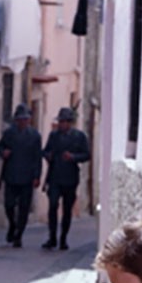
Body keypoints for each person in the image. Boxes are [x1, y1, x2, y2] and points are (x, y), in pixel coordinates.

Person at [41, 107, 89, 251]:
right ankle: (52, 237)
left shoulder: (79, 137)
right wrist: (48, 155)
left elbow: (86, 155)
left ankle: (63, 238)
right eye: (61, 122)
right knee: (53, 206)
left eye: (65, 122)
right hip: (54, 176)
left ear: (70, 123)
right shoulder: (53, 136)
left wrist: (73, 157)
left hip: (70, 178)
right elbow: (45, 150)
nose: (62, 125)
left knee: (67, 210)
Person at [0, 104, 43, 248]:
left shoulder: (35, 136)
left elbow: (37, 157)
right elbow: (0, 146)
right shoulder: (9, 133)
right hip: (11, 174)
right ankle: (12, 224)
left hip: (27, 176)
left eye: (25, 119)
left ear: (29, 120)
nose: (23, 122)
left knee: (24, 207)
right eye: (20, 119)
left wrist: (37, 176)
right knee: (9, 205)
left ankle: (19, 235)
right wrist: (3, 152)